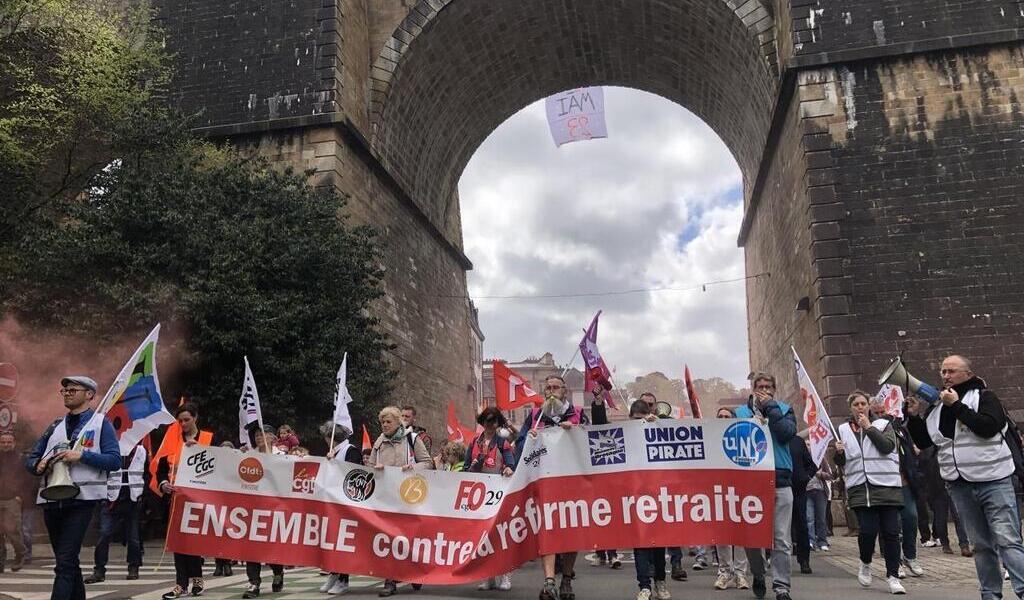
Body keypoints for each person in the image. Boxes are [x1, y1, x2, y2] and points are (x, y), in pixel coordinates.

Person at [905, 355, 1024, 599]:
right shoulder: (937, 407)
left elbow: (988, 427)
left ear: (968, 374)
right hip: (959, 485)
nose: (946, 375)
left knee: (1007, 540)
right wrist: (915, 418)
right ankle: (990, 594)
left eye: (952, 371)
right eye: (943, 371)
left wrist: (956, 407)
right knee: (981, 546)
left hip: (994, 480)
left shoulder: (984, 397)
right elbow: (925, 441)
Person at [24, 375, 121, 600]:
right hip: (51, 501)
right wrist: (38, 466)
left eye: (72, 389)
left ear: (89, 395)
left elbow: (114, 461)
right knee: (67, 562)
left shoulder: (100, 424)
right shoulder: (55, 425)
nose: (67, 392)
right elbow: (32, 458)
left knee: (65, 563)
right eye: (65, 390)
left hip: (82, 501)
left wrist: (82, 455)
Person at [516, 374, 584, 600]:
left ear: (565, 391)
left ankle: (566, 579)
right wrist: (529, 438)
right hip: (545, 482)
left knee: (571, 533)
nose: (552, 391)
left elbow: (591, 440)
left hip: (572, 482)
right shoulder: (535, 415)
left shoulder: (577, 415)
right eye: (548, 388)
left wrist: (574, 431)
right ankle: (549, 582)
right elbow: (520, 443)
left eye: (556, 387)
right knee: (547, 530)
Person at [834, 390, 906, 594]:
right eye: (855, 404)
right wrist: (838, 453)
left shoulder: (883, 424)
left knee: (891, 533)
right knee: (867, 531)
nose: (860, 407)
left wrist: (869, 428)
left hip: (886, 487)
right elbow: (842, 463)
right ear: (851, 408)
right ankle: (865, 562)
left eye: (863, 403)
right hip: (860, 487)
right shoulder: (843, 429)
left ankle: (893, 576)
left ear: (868, 406)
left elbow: (887, 447)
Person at [735, 373, 796, 600]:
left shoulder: (784, 409)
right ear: (752, 388)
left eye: (768, 387)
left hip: (780, 479)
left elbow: (786, 434)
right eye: (760, 386)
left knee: (781, 538)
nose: (764, 389)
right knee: (752, 537)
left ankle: (782, 587)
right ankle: (759, 573)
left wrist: (770, 407)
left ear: (774, 389)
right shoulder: (740, 413)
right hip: (751, 481)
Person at [371, 405, 432, 597]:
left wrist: (412, 467)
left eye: (388, 421)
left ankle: (414, 572)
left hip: (408, 496)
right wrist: (375, 468)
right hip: (386, 497)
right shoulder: (379, 443)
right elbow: (370, 466)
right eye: (382, 422)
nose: (385, 425)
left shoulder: (412, 439)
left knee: (408, 537)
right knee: (389, 537)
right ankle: (390, 580)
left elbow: (427, 462)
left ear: (398, 422)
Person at [157, 402, 216, 599]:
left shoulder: (208, 438)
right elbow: (161, 469)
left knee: (194, 542)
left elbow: (222, 462)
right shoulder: (172, 440)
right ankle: (181, 584)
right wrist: (163, 483)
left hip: (201, 500)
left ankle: (197, 580)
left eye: (186, 420)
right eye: (180, 420)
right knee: (178, 542)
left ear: (195, 418)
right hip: (175, 500)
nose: (182, 424)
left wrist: (199, 450)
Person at [868, 394, 924, 578]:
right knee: (890, 525)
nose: (880, 415)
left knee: (911, 517)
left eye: (883, 411)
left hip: (904, 480)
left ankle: (910, 555)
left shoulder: (898, 428)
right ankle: (894, 562)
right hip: (884, 483)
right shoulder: (868, 430)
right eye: (876, 412)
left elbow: (908, 450)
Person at [467, 406, 516, 591]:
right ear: (482, 422)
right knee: (482, 537)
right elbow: (464, 468)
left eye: (493, 420)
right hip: (478, 494)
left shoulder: (503, 443)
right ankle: (488, 577)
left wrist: (508, 469)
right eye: (487, 420)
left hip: (498, 493)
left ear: (498, 423)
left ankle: (506, 575)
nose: (490, 424)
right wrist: (472, 466)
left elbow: (511, 463)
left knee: (501, 534)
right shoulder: (473, 442)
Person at [85, 441, 147, 583]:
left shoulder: (141, 451)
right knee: (104, 534)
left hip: (133, 498)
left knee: (133, 538)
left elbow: (147, 474)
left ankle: (133, 567)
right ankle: (99, 570)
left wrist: (143, 495)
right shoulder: (108, 449)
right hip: (112, 499)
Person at [628, 399, 671, 600]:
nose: (639, 424)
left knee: (659, 544)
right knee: (641, 544)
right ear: (630, 419)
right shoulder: (625, 435)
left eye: (642, 420)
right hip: (635, 497)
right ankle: (644, 586)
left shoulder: (656, 428)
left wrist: (658, 425)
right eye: (635, 420)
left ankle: (660, 582)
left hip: (657, 496)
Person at [321, 420, 363, 595]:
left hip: (346, 505)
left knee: (342, 542)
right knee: (331, 540)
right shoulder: (334, 452)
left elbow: (354, 473)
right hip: (333, 503)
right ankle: (334, 572)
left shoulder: (350, 451)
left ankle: (343, 579)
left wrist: (333, 464)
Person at [242, 427, 285, 598]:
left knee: (271, 547)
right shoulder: (249, 454)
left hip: (274, 508)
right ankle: (254, 583)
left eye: (262, 434)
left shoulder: (281, 456)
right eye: (256, 434)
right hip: (251, 508)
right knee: (251, 548)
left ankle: (278, 572)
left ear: (272, 437)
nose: (259, 437)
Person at [713, 407, 749, 590]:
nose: (723, 419)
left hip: (740, 491)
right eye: (720, 417)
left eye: (727, 417)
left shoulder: (742, 439)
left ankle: (741, 574)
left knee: (740, 533)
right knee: (722, 534)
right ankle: (725, 571)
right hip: (718, 491)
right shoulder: (710, 439)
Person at [0, 430, 28, 573]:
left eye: (8, 442)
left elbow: (27, 480)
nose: (6, 444)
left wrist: (20, 496)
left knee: (13, 531)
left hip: (12, 499)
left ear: (14, 443)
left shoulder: (20, 458)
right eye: (3, 442)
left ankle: (20, 554)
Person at [789, 432, 817, 575]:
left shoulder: (798, 441)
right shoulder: (771, 438)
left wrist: (805, 477)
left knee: (801, 525)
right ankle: (769, 556)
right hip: (777, 486)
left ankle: (804, 560)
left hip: (797, 490)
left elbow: (811, 465)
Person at [806, 443, 833, 551]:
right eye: (806, 444)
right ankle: (811, 541)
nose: (808, 446)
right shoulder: (803, 459)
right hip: (807, 491)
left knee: (821, 518)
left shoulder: (821, 459)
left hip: (820, 492)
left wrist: (820, 475)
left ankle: (822, 541)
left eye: (809, 444)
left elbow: (830, 475)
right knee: (809, 518)